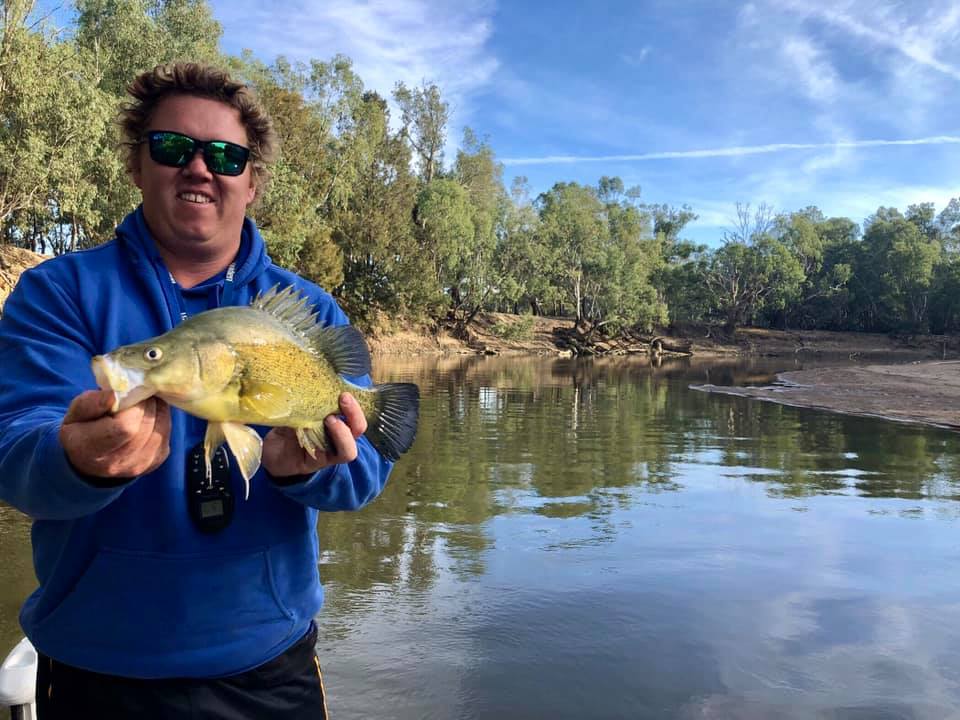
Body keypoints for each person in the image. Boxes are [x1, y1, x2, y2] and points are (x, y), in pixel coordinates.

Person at [0, 62, 394, 718]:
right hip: (93, 670)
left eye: (226, 156)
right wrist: (73, 461)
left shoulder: (309, 309)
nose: (199, 168)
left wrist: (311, 473)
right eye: (173, 147)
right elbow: (14, 451)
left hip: (267, 670)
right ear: (137, 165)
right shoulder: (57, 293)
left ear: (253, 183)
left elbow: (369, 465)